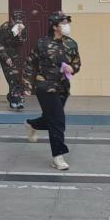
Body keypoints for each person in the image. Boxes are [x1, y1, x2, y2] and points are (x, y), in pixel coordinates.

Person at [23, 11, 81, 171]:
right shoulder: (42, 43)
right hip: (45, 86)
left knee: (50, 118)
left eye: (67, 22)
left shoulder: (71, 44)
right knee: (58, 120)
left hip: (63, 87)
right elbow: (29, 63)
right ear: (55, 26)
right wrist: (27, 85)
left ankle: (32, 124)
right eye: (63, 23)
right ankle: (58, 156)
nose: (67, 25)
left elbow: (77, 62)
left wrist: (72, 68)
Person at [0, 10, 28, 110]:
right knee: (11, 78)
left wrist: (19, 35)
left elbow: (23, 41)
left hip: (16, 56)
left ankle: (13, 97)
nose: (17, 23)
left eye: (20, 21)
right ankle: (16, 101)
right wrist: (6, 57)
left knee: (17, 78)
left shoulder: (22, 28)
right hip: (5, 55)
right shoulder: (4, 27)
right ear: (11, 19)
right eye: (16, 21)